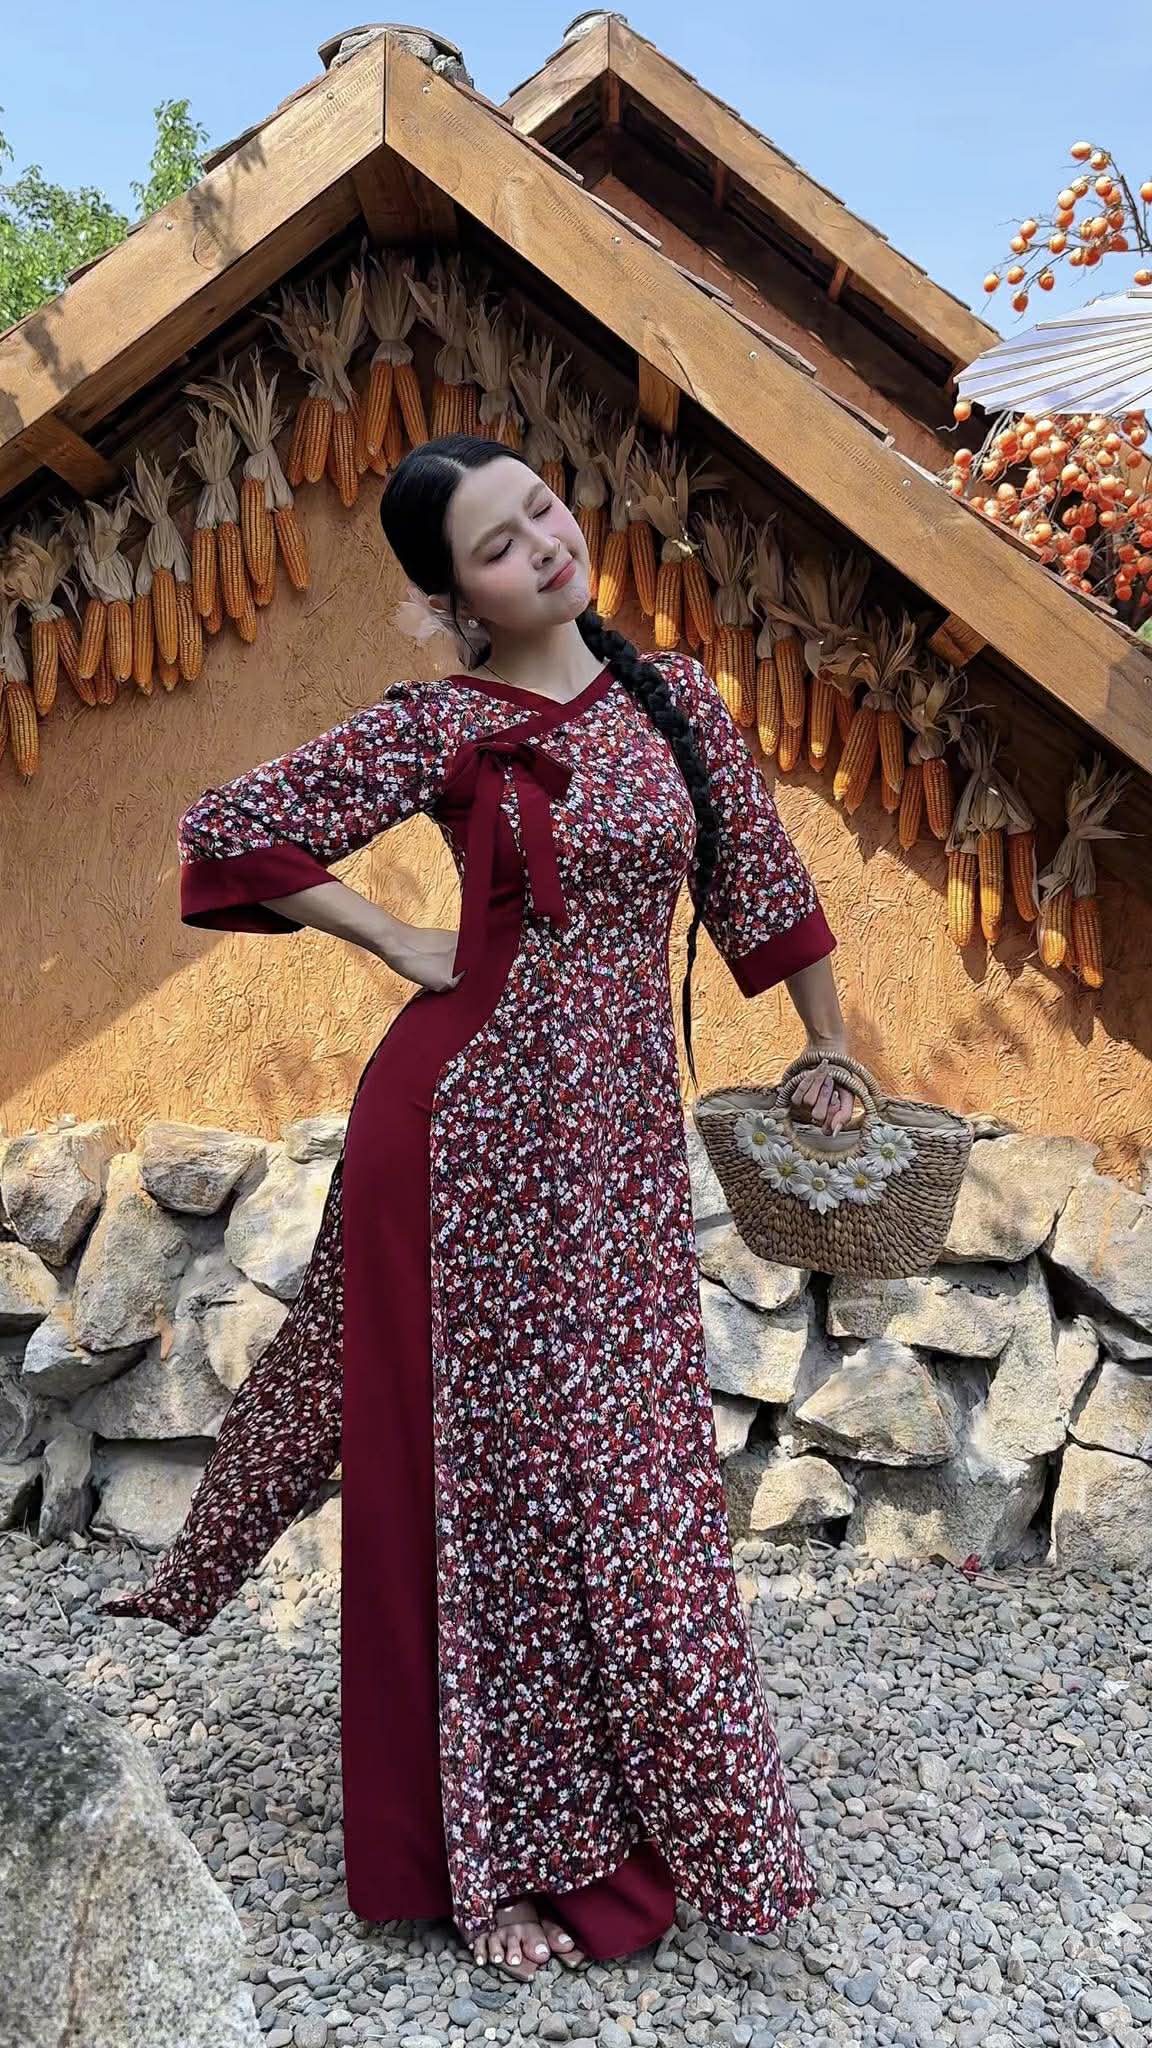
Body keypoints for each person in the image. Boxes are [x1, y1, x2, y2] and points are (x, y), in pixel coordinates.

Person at [103, 436, 860, 1982]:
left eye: (542, 512)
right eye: (499, 545)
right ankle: (484, 1854)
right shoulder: (442, 725)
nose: (544, 546)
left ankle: (634, 1807)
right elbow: (230, 829)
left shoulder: (672, 701)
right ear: (454, 596)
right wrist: (398, 937)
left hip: (617, 1160)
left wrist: (830, 1048)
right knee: (481, 1498)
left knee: (634, 1488)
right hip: (461, 1146)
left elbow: (766, 890)